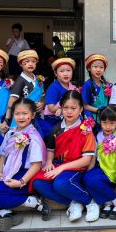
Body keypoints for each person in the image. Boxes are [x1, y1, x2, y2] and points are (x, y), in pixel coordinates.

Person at [0, 98, 50, 231]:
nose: (21, 117)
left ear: (33, 115)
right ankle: (7, 213)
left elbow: (36, 165)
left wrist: (20, 182)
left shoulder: (33, 137)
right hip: (8, 170)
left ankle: (33, 202)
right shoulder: (11, 133)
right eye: (17, 114)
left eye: (25, 113)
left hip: (24, 174)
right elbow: (3, 154)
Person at [32, 90, 95, 222]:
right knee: (38, 183)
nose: (69, 111)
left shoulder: (86, 129)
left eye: (73, 108)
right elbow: (51, 149)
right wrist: (49, 162)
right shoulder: (56, 128)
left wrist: (61, 168)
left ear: (81, 109)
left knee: (60, 184)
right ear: (61, 108)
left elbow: (86, 160)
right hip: (58, 164)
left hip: (77, 167)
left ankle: (90, 201)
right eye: (65, 107)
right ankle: (74, 202)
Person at [83, 106, 116, 221]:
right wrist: (89, 170)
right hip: (102, 169)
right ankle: (112, 201)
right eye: (104, 123)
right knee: (88, 179)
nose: (108, 127)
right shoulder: (97, 136)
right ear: (100, 121)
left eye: (112, 123)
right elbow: (94, 155)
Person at [3, 50, 45, 127]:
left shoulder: (38, 79)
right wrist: (7, 120)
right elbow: (11, 104)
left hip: (36, 116)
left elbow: (42, 96)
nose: (30, 64)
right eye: (27, 61)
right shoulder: (19, 82)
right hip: (23, 118)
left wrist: (42, 104)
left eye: (33, 61)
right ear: (20, 64)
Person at [41, 57, 76, 139]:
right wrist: (63, 105)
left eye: (68, 70)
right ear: (55, 73)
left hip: (67, 116)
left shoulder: (73, 87)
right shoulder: (53, 87)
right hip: (53, 118)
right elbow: (51, 109)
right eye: (62, 71)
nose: (66, 74)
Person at [81, 54, 112, 126]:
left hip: (105, 114)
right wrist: (99, 110)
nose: (98, 70)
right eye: (95, 67)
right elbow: (84, 106)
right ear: (89, 68)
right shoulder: (87, 85)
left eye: (101, 67)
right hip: (91, 115)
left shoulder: (106, 85)